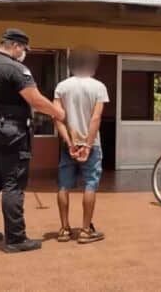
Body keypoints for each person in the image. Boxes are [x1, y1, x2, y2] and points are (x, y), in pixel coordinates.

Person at [0, 28, 66, 252]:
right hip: (12, 134)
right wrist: (57, 113)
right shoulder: (17, 69)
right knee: (12, 184)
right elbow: (35, 100)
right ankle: (15, 239)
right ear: (15, 46)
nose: (24, 53)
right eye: (23, 48)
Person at [53, 46, 109, 244]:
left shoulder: (61, 87)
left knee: (63, 186)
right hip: (91, 145)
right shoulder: (99, 87)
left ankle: (64, 229)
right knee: (90, 185)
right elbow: (96, 118)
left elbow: (57, 118)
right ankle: (85, 230)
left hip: (69, 144)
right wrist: (87, 144)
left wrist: (69, 143)